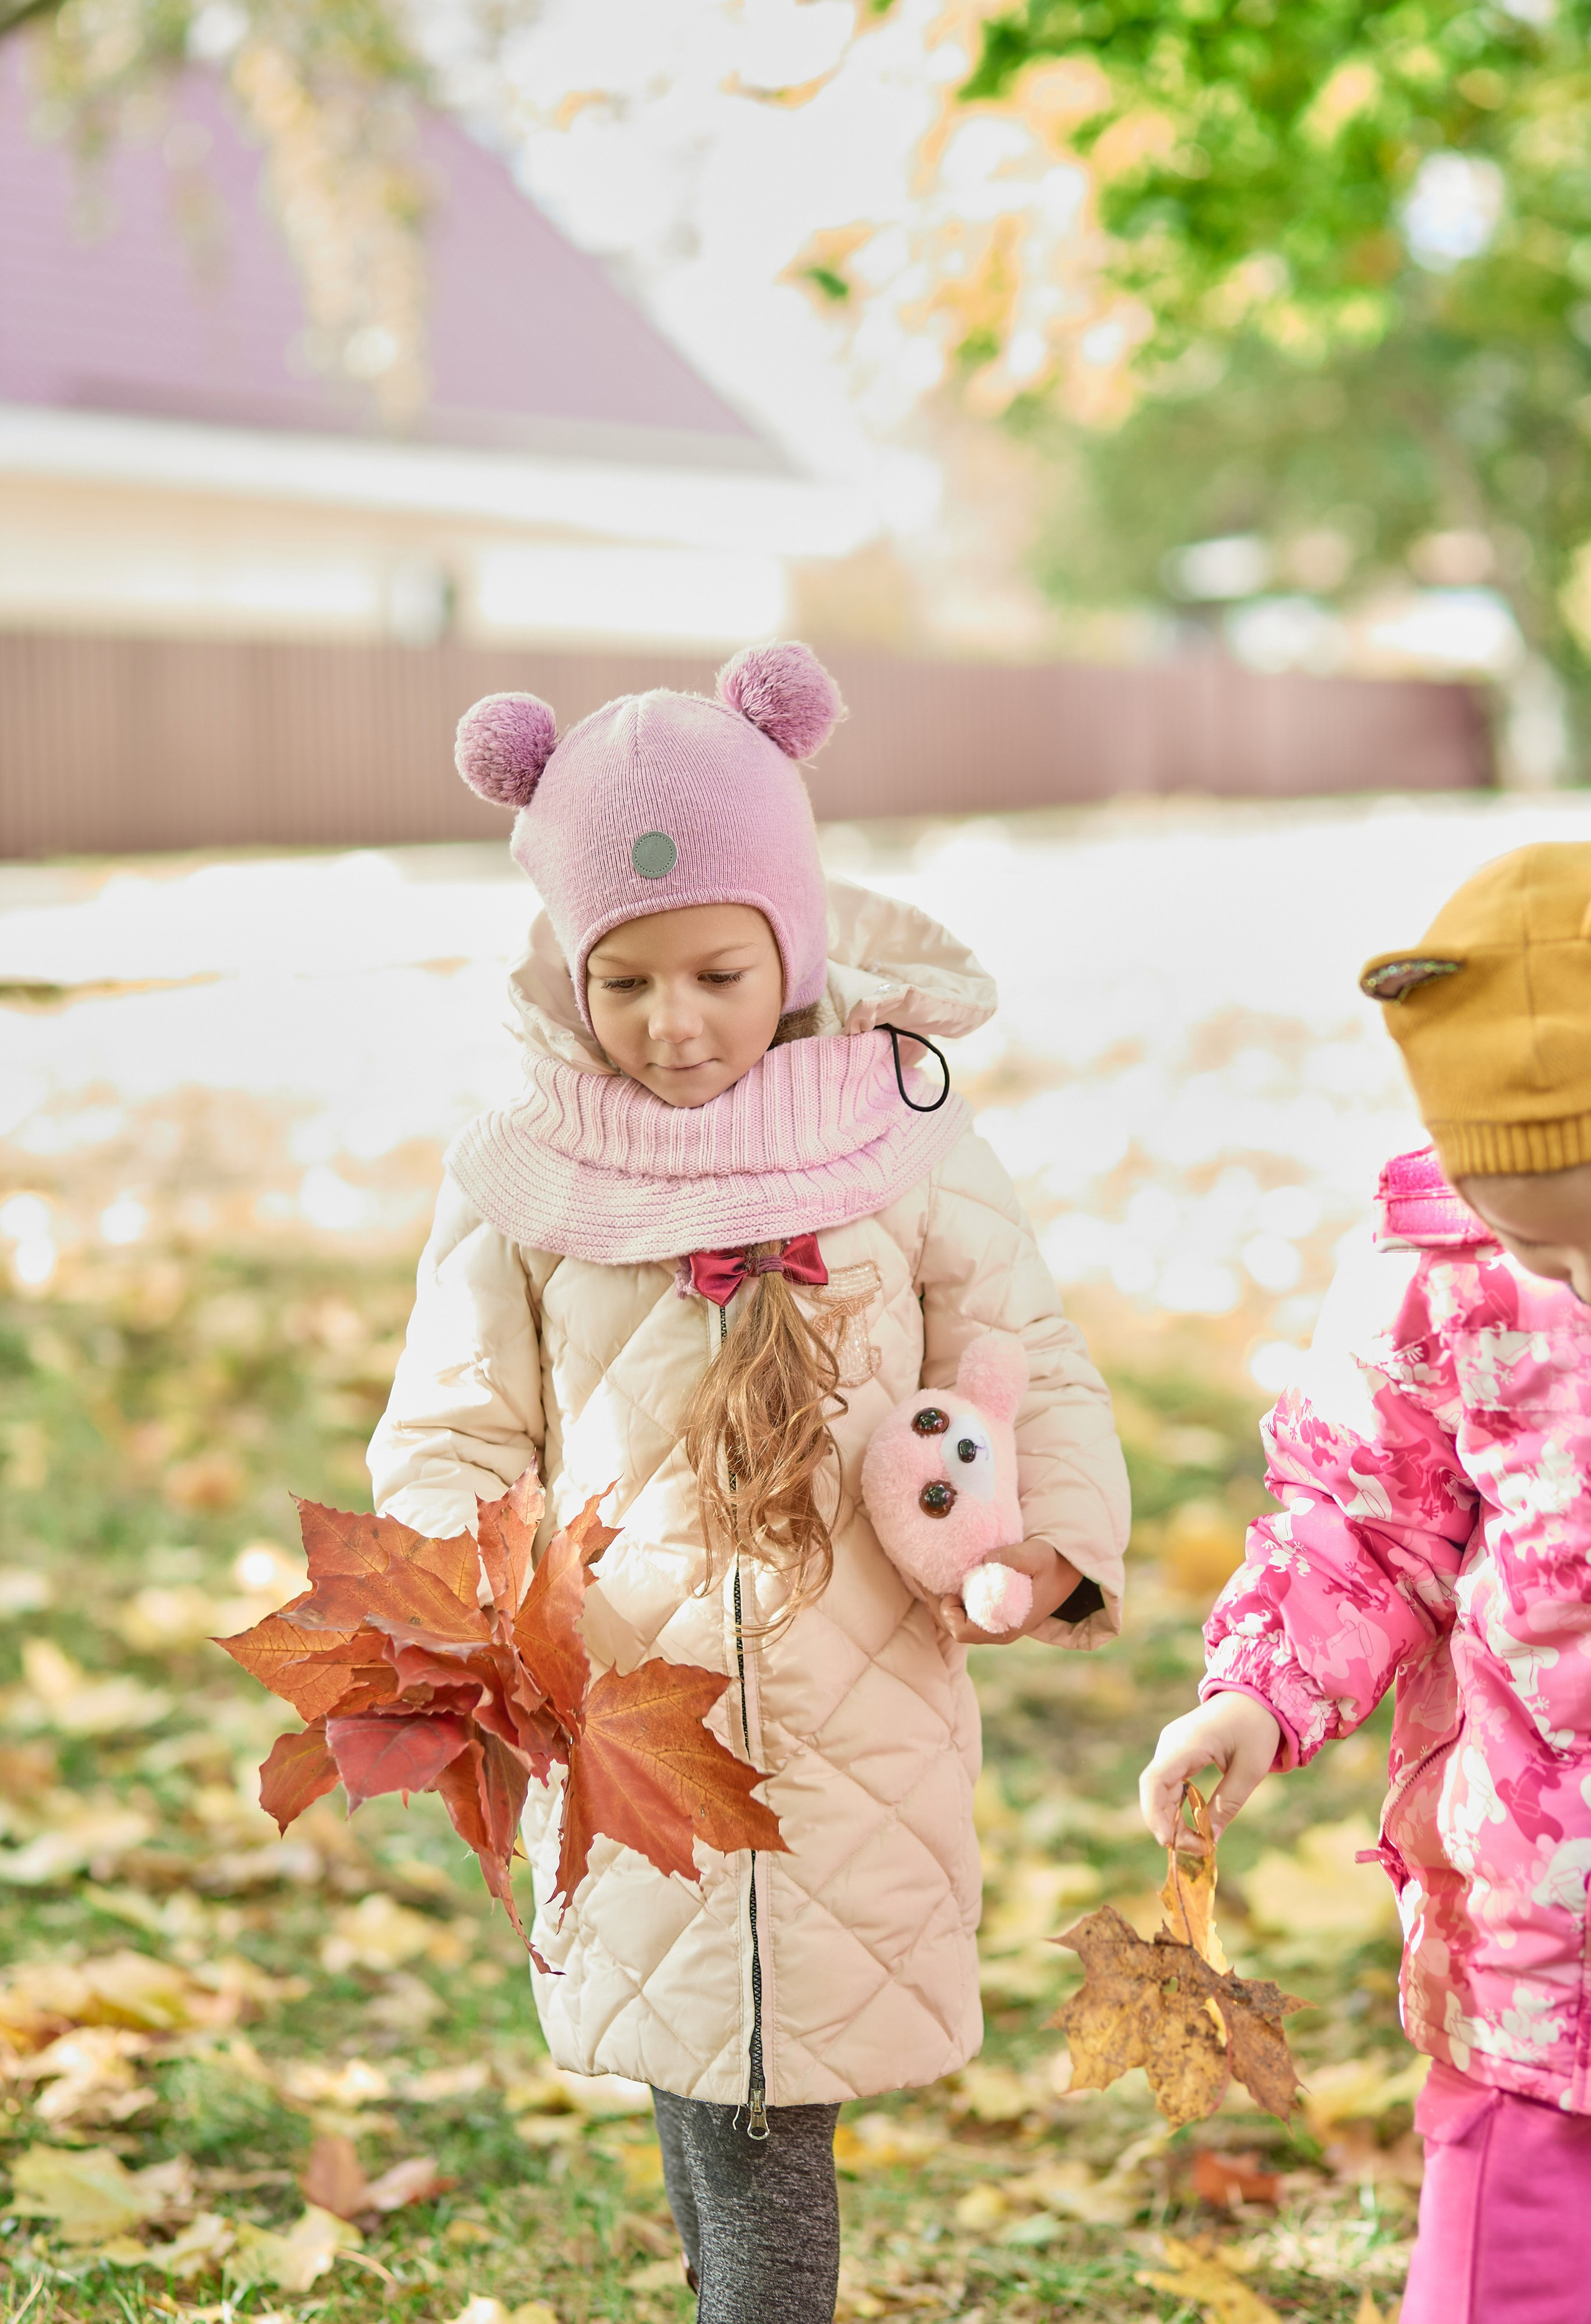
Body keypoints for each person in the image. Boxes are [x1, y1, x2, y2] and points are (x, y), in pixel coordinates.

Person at [368, 642, 1130, 2324]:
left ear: (788, 943)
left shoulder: (896, 1132)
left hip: (845, 1706)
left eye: (718, 972)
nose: (673, 1024)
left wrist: (1052, 1541)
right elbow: (457, 1416)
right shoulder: (528, 1157)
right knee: (703, 2064)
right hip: (627, 1693)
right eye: (623, 983)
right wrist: (465, 1604)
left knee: (768, 2092)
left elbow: (1028, 1352)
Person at [1139, 842, 1591, 2324]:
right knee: (1501, 2286)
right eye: (1536, 1241)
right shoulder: (1438, 1275)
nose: (1567, 1274)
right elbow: (1363, 1525)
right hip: (1535, 1947)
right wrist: (1258, 1698)